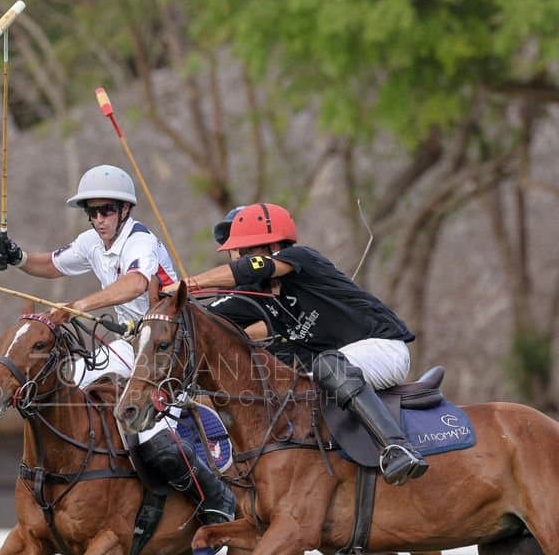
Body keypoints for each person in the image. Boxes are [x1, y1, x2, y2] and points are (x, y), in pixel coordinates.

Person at [0, 164, 235, 525]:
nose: (100, 219)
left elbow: (137, 283)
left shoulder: (140, 241)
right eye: (93, 212)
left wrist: (80, 306)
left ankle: (215, 497)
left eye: (107, 210)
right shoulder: (92, 242)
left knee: (148, 429)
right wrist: (19, 258)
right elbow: (53, 265)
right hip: (131, 344)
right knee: (71, 382)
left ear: (125, 211)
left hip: (170, 349)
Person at [175, 202, 428, 486]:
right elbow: (203, 319)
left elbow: (251, 269)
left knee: (327, 365)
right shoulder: (255, 297)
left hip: (383, 349)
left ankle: (397, 448)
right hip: (336, 367)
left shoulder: (300, 258)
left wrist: (187, 284)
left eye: (243, 251)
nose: (236, 258)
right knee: (277, 381)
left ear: (269, 247)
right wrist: (153, 314)